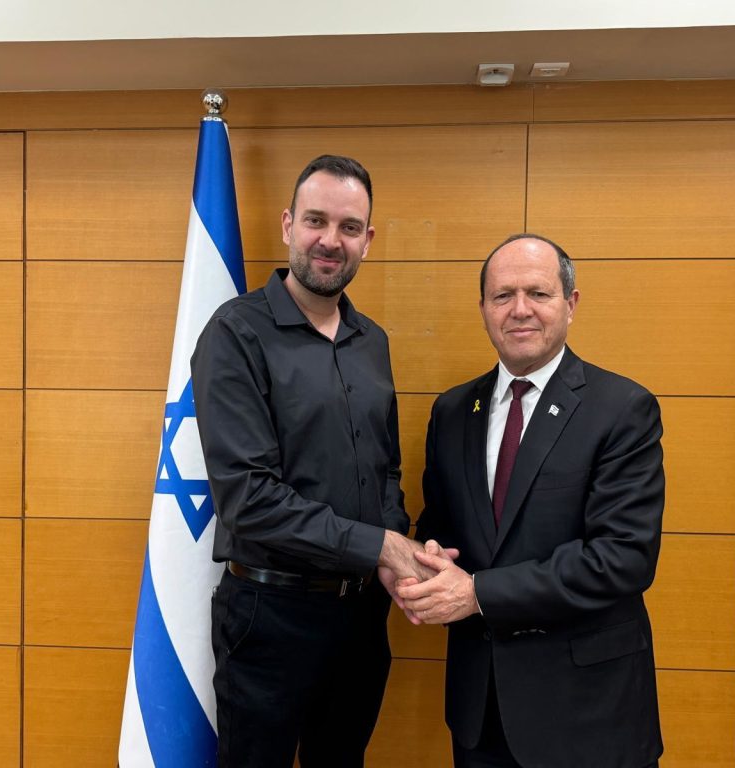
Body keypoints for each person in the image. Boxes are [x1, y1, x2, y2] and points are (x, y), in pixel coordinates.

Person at [191, 155, 430, 768]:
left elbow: (385, 470)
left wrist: (394, 551)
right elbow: (248, 499)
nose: (330, 240)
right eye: (316, 220)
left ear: (367, 241)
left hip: (361, 616)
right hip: (270, 616)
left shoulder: (372, 341)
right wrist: (381, 546)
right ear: (288, 225)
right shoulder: (235, 334)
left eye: (349, 227)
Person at [398, 234, 664, 768]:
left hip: (588, 712)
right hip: (481, 712)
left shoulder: (622, 409)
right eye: (503, 296)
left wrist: (478, 593)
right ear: (483, 308)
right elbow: (441, 526)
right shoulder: (453, 411)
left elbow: (622, 558)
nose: (520, 310)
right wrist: (426, 563)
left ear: (571, 303)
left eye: (538, 293)